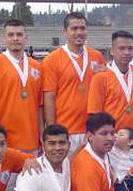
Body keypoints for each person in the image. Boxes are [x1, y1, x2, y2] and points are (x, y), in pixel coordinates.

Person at [42, 12, 106, 156]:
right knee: (64, 175)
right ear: (65, 32)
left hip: (91, 130)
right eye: (74, 28)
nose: (79, 33)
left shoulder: (97, 56)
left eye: (82, 28)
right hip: (66, 131)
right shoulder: (52, 60)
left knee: (88, 174)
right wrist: (53, 131)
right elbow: (49, 97)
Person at [0, 19, 44, 154]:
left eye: (19, 35)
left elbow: (40, 104)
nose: (15, 39)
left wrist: (42, 132)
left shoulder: (37, 66)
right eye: (11, 35)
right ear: (4, 38)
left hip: (31, 138)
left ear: (25, 37)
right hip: (6, 139)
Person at [87, 30, 133, 133]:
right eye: (121, 48)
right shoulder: (100, 78)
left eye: (130, 49)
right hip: (111, 139)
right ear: (112, 51)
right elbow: (94, 115)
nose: (126, 52)